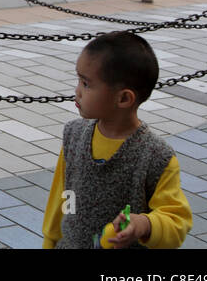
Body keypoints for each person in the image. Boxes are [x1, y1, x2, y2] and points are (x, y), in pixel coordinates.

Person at [41, 31, 192, 248]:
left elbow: (178, 221)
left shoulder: (156, 157)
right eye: (79, 79)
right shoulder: (73, 135)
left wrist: (145, 224)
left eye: (86, 84)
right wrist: (50, 241)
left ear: (123, 98)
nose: (77, 91)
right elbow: (62, 198)